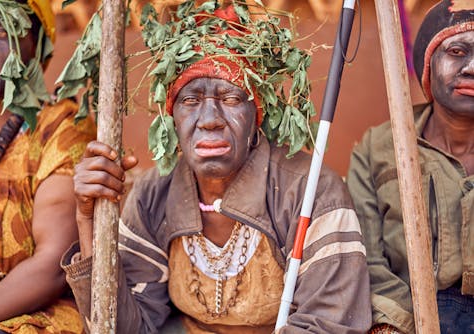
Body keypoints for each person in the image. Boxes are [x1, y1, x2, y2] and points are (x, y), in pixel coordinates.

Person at [62, 1, 371, 333]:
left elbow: (329, 322)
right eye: (191, 101)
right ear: (173, 119)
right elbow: (122, 328)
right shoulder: (153, 196)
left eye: (231, 99)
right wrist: (89, 223)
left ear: (257, 116)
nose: (209, 120)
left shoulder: (308, 192)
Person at [346, 1, 473, 333]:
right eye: (457, 51)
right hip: (412, 315)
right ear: (428, 64)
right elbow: (365, 255)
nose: (472, 67)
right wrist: (392, 322)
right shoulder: (380, 148)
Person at [0, 0, 96, 333]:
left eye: (2, 31)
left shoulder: (63, 128)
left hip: (34, 310)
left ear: (38, 46)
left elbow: (51, 267)